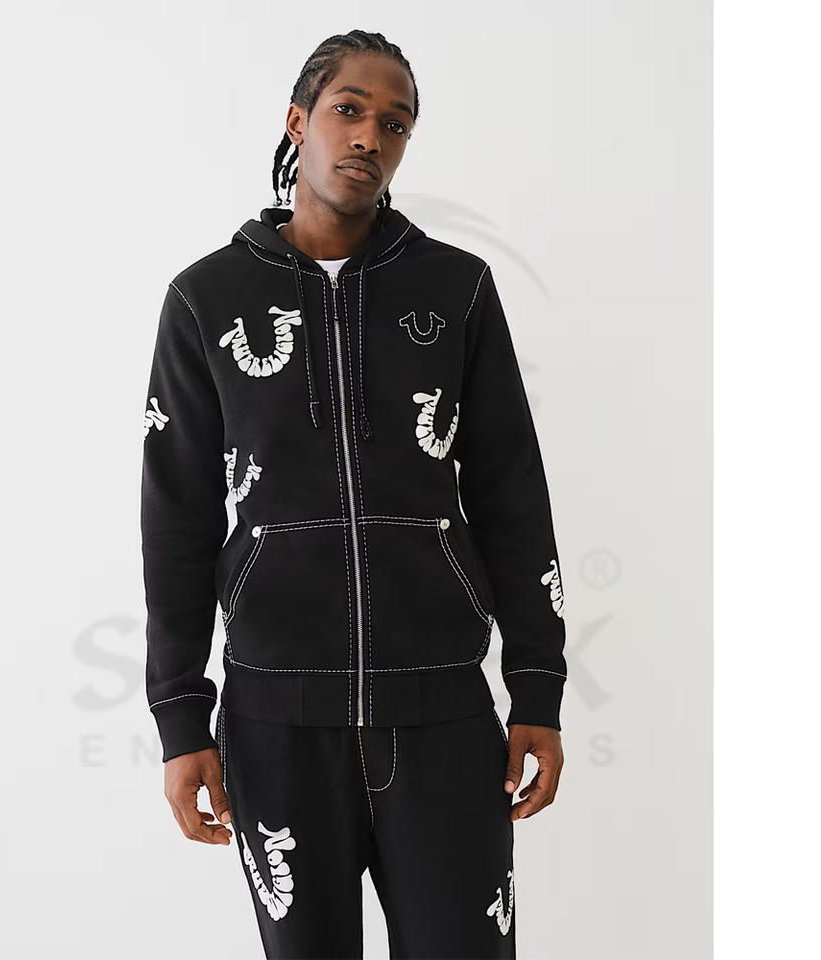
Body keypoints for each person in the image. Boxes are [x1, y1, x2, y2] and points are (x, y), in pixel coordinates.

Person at [140, 29, 567, 959]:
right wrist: (179, 719)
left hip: (444, 718)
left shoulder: (457, 289)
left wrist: (538, 688)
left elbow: (512, 494)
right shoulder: (206, 299)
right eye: (349, 110)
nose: (372, 135)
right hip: (275, 723)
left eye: (396, 122)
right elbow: (175, 520)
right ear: (298, 122)